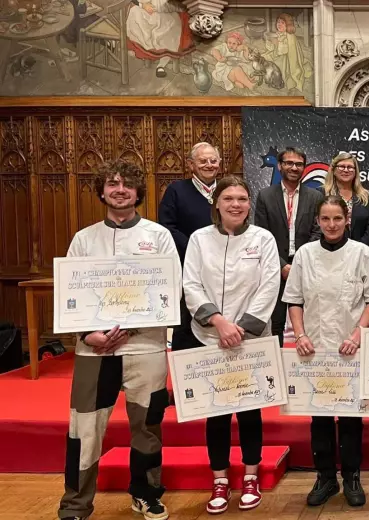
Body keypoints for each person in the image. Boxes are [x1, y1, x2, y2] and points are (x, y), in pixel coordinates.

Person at [58, 160, 179, 520]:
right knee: (85, 429)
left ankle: (146, 493)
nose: (120, 190)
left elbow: (170, 288)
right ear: (102, 191)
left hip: (146, 347)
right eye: (113, 184)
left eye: (127, 184)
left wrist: (130, 328)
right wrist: (87, 333)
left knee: (148, 426)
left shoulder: (158, 237)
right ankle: (76, 504)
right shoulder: (84, 238)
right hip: (93, 350)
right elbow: (70, 293)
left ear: (139, 192)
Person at [181, 176, 281, 514]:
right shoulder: (199, 239)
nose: (236, 204)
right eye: (229, 198)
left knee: (250, 410)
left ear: (249, 203)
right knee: (218, 413)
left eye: (241, 198)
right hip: (209, 335)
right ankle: (220, 479)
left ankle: (251, 475)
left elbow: (269, 286)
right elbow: (191, 284)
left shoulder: (263, 238)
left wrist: (241, 328)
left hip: (251, 339)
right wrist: (219, 323)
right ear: (217, 204)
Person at [283, 196, 369, 508]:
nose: (331, 225)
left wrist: (358, 333)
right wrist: (299, 335)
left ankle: (352, 476)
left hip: (351, 348)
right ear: (317, 220)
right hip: (314, 350)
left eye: (337, 219)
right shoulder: (304, 254)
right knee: (320, 418)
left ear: (347, 219)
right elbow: (295, 300)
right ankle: (325, 476)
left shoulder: (362, 253)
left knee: (353, 418)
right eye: (325, 219)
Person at [254, 146, 323, 348]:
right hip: (276, 268)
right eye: (289, 163)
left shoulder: (316, 196)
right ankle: (277, 367)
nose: (294, 167)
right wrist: (282, 265)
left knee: (309, 319)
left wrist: (300, 263)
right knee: (276, 321)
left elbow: (318, 231)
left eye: (299, 164)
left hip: (306, 267)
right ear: (279, 165)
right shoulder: (265, 196)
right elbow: (262, 235)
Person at [158, 142, 221, 350]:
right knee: (188, 318)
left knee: (219, 317)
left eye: (213, 160)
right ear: (191, 165)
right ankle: (185, 376)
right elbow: (167, 228)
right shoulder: (176, 190)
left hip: (223, 267)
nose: (209, 165)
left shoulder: (226, 191)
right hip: (188, 266)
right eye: (203, 161)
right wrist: (197, 251)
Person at [320, 152, 369, 248]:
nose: (346, 170)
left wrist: (357, 249)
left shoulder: (366, 196)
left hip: (360, 252)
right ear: (333, 170)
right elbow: (317, 226)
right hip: (329, 250)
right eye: (342, 166)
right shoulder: (321, 193)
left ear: (355, 171)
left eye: (350, 167)